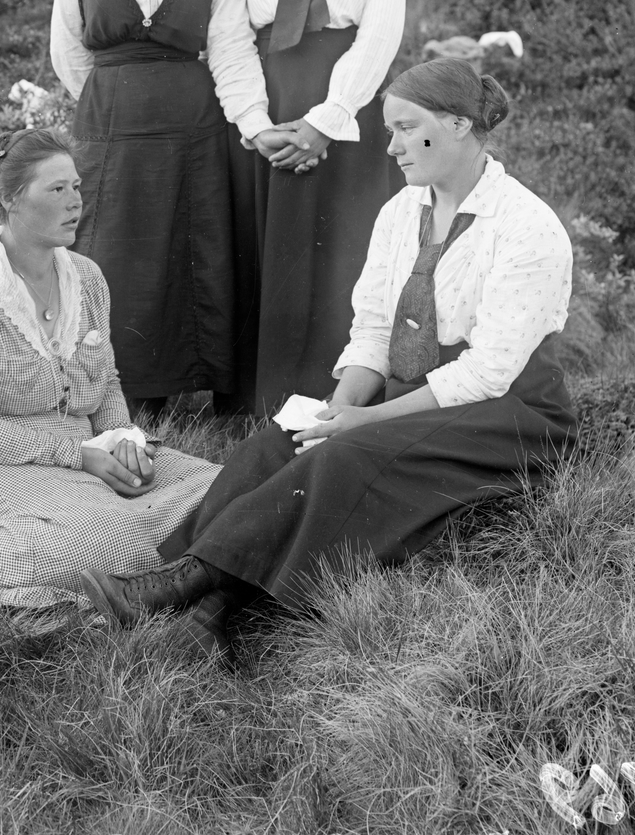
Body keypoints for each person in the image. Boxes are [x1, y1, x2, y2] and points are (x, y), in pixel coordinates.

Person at [80, 60, 577, 663]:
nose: (389, 146)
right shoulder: (400, 214)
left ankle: (189, 589)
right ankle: (206, 604)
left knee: (346, 454)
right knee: (284, 440)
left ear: (457, 125)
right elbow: (372, 330)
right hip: (413, 392)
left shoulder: (527, 226)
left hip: (506, 413)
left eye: (403, 128)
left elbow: (488, 373)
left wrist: (361, 425)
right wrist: (338, 410)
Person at [0, 129, 221, 618]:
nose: (76, 202)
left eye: (76, 186)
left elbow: (107, 383)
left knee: (227, 487)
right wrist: (77, 456)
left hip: (88, 451)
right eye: (56, 190)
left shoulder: (87, 277)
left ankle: (164, 574)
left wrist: (124, 439)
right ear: (10, 200)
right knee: (105, 539)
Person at [50, 0, 290, 417]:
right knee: (109, 259)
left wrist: (257, 127)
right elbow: (69, 52)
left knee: (191, 260)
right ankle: (116, 400)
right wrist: (110, 108)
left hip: (193, 131)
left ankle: (178, 395)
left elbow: (233, 51)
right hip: (107, 132)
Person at [223, 0, 408, 415]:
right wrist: (256, 122)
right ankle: (260, 400)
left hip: (348, 101)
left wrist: (326, 123)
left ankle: (339, 398)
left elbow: (382, 31)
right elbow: (230, 35)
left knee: (346, 252)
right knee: (269, 248)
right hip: (270, 102)